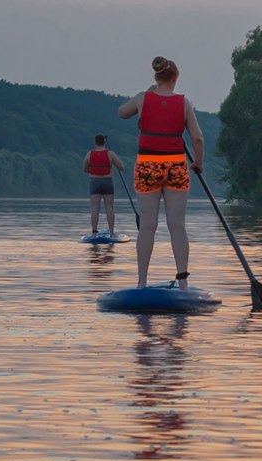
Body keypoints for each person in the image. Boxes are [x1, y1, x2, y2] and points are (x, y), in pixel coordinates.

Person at [117, 57, 203, 288]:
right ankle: (183, 283)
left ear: (156, 78)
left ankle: (142, 282)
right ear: (175, 79)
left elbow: (122, 113)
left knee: (147, 225)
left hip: (147, 166)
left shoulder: (143, 98)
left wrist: (145, 95)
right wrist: (198, 163)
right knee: (177, 225)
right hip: (176, 166)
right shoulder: (183, 104)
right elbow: (197, 138)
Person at [82, 132, 118, 235]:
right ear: (104, 142)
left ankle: (94, 231)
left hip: (94, 182)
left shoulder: (89, 154)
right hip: (107, 182)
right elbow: (121, 167)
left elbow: (84, 169)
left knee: (94, 208)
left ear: (95, 143)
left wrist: (93, 171)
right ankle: (111, 232)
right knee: (109, 207)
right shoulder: (110, 153)